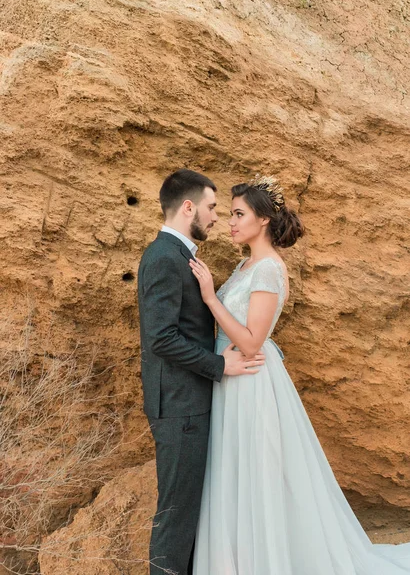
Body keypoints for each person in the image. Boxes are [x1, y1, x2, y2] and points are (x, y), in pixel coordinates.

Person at [190, 174, 410, 574]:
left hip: (251, 379)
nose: (231, 222)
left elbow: (254, 340)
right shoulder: (245, 265)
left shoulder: (270, 269)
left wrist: (209, 297)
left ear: (263, 220)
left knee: (255, 472)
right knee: (234, 471)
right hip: (232, 376)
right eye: (231, 214)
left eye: (239, 214)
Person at [137, 168, 265, 575]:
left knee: (188, 514)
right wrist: (220, 365)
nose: (216, 217)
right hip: (179, 407)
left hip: (187, 404)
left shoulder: (179, 255)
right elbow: (161, 337)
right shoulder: (163, 257)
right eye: (211, 207)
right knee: (176, 516)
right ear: (188, 207)